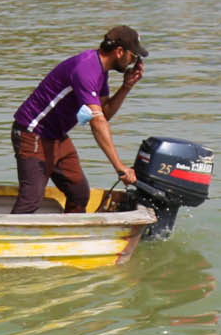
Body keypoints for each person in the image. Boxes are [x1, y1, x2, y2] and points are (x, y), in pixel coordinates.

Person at [9, 25, 147, 214]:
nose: (134, 62)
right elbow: (97, 122)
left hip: (56, 136)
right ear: (119, 52)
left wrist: (126, 87)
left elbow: (104, 113)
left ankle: (69, 230)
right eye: (134, 56)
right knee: (31, 199)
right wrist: (119, 167)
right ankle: (8, 233)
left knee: (79, 194)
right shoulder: (86, 69)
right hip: (32, 133)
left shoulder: (100, 71)